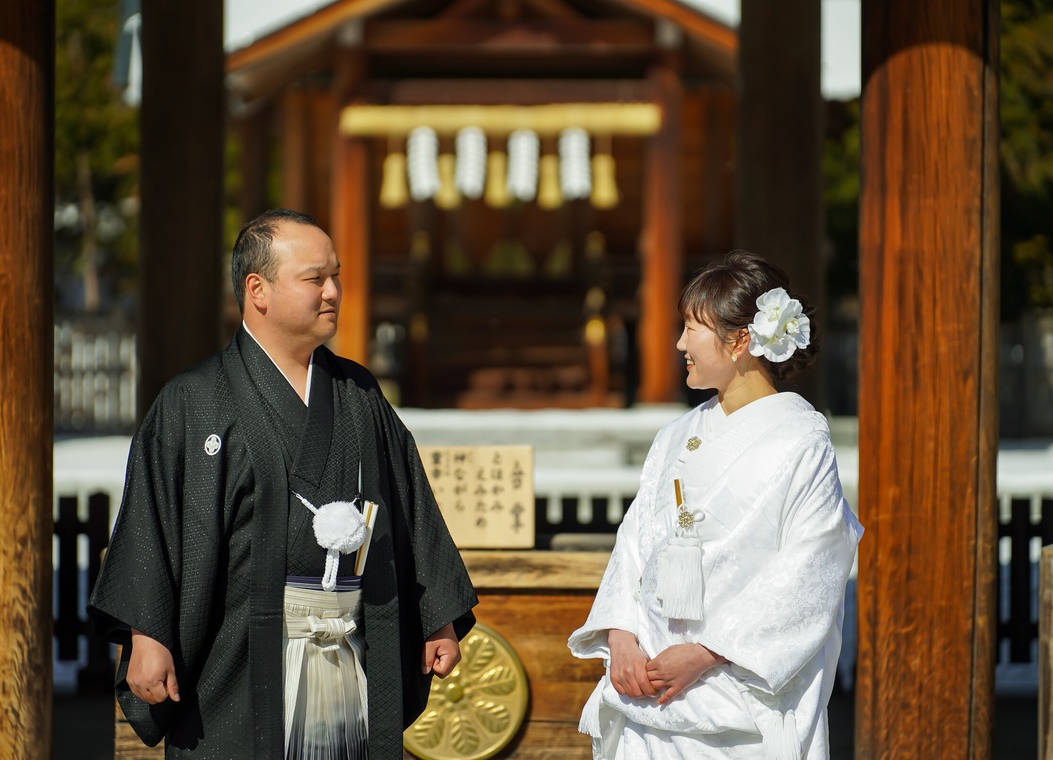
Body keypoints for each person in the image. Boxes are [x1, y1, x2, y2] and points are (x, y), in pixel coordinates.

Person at [89, 209, 478, 759]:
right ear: (258, 289)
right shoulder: (194, 402)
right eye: (315, 278)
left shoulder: (359, 394)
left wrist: (436, 614)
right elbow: (152, 523)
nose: (333, 291)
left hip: (349, 653)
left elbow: (409, 507)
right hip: (235, 666)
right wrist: (146, 635)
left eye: (335, 276)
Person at [568, 251, 863, 759]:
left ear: (740, 340)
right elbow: (634, 545)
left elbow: (810, 569)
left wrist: (708, 651)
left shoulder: (800, 439)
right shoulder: (675, 435)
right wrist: (621, 634)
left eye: (691, 329)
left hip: (737, 692)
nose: (680, 343)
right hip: (650, 686)